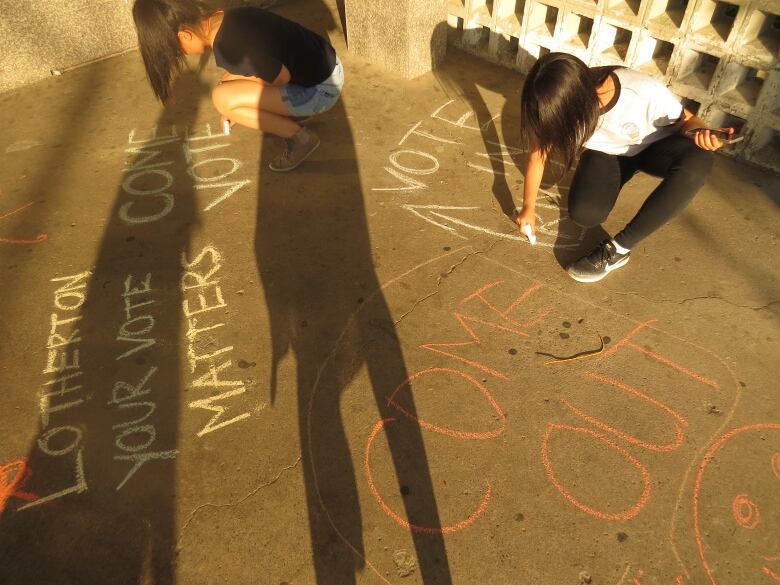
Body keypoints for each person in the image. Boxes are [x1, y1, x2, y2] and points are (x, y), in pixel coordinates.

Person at [515, 52, 732, 282]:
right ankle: (618, 173)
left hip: (655, 148)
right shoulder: (553, 103)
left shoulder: (641, 90)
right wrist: (528, 206)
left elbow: (688, 121)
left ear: (579, 98)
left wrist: (703, 134)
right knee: (585, 214)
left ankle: (618, 250)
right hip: (609, 155)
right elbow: (538, 155)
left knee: (700, 159)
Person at [132, 0, 344, 171]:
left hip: (321, 90)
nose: (183, 55)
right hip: (327, 66)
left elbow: (281, 77)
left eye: (178, 51)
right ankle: (292, 114)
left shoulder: (228, 48)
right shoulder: (228, 18)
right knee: (227, 86)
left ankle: (300, 138)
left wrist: (233, 105)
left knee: (223, 99)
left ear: (184, 35)